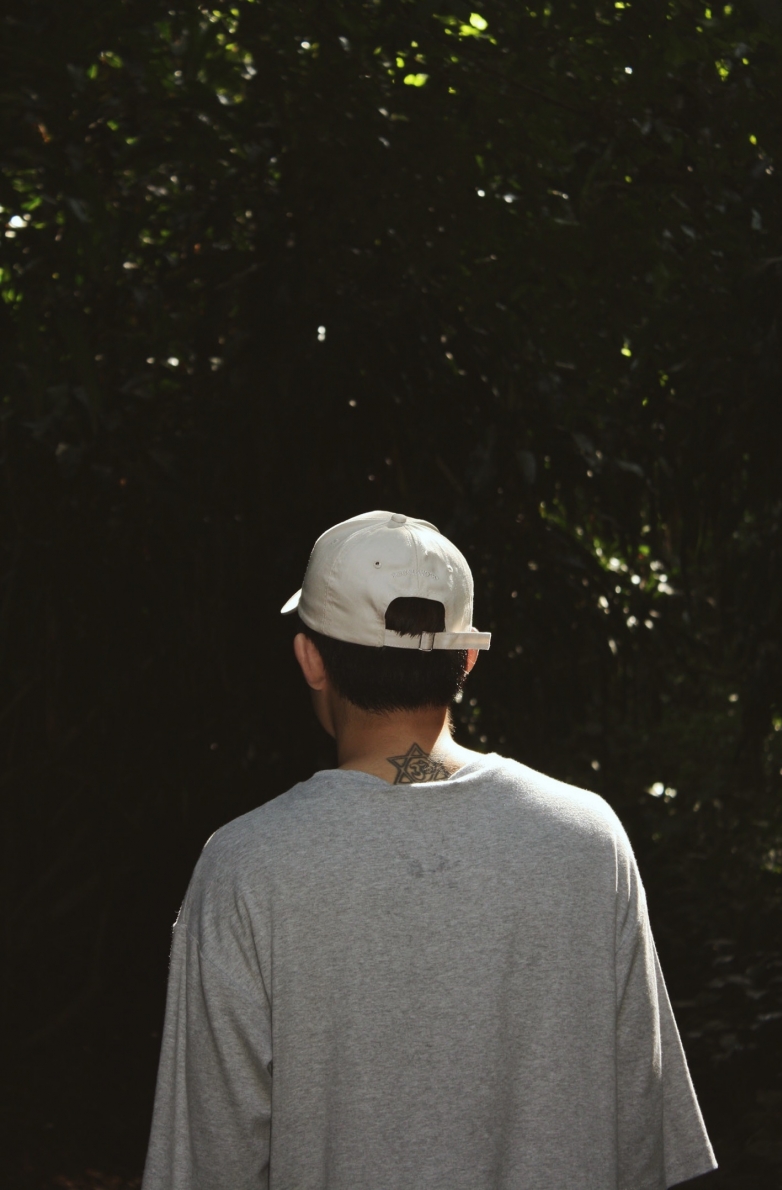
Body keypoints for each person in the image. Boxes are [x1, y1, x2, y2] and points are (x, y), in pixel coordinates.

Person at [142, 509, 717, 1190]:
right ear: (466, 656)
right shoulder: (587, 840)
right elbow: (644, 1139)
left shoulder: (245, 866)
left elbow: (212, 1159)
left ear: (311, 658)